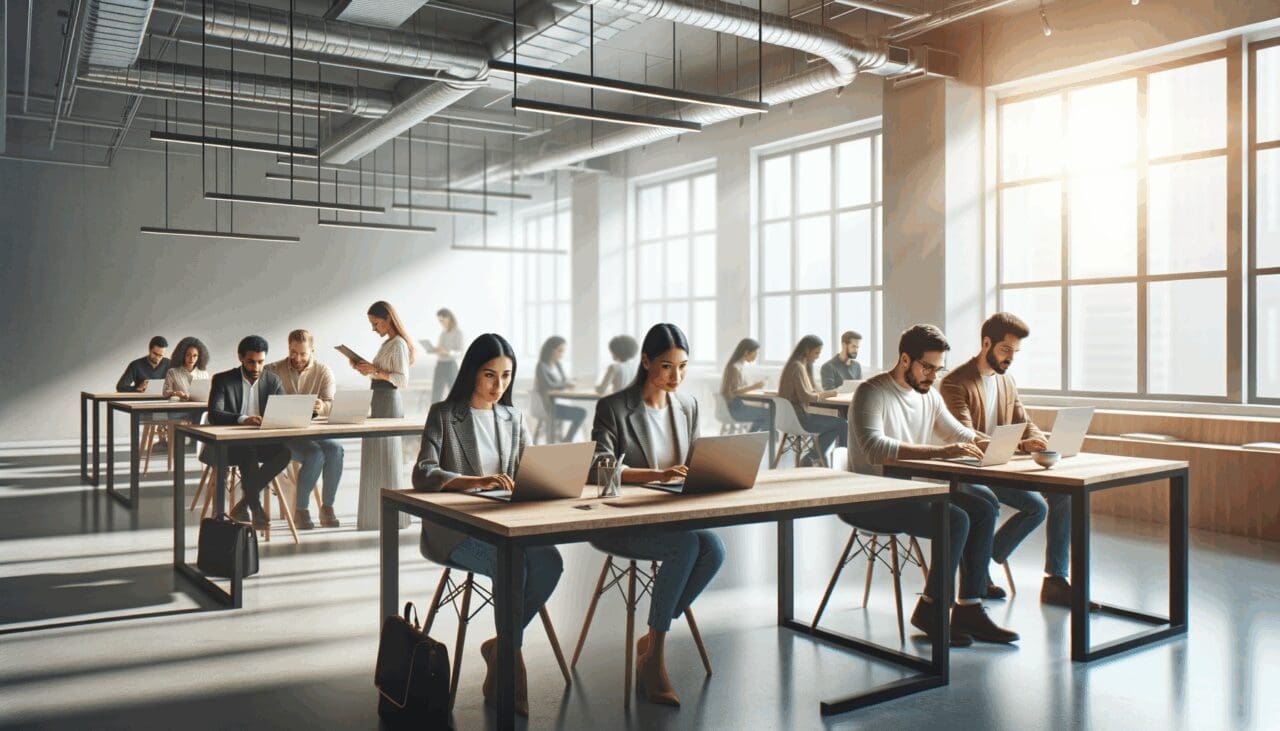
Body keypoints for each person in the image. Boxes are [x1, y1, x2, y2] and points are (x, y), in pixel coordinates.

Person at [412, 334, 562, 717]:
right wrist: (473, 482)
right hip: (456, 531)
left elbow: (529, 471)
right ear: (472, 373)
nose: (499, 386)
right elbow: (423, 472)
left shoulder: (514, 418)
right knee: (511, 562)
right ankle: (512, 666)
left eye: (506, 376)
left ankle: (501, 648)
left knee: (551, 562)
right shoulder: (445, 414)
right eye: (490, 375)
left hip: (507, 524)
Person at [845, 324, 1018, 646]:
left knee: (982, 509)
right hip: (869, 498)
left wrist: (992, 443)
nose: (932, 376)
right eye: (927, 367)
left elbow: (958, 433)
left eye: (938, 370)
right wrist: (941, 452)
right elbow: (874, 447)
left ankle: (969, 608)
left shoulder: (929, 396)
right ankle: (931, 609)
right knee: (956, 518)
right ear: (905, 359)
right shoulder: (872, 392)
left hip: (912, 493)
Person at [588, 323, 726, 707]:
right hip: (623, 521)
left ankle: (650, 639)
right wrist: (657, 475)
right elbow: (598, 468)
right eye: (667, 366)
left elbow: (693, 462)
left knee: (714, 549)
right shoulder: (614, 407)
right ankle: (655, 660)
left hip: (671, 516)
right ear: (646, 361)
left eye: (683, 367)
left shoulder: (688, 406)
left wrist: (714, 472)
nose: (676, 377)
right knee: (687, 547)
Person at [941, 312, 1076, 606]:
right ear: (986, 344)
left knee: (1058, 498)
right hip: (968, 470)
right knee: (992, 503)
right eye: (1005, 350)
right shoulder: (955, 383)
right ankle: (979, 569)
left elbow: (1024, 421)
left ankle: (1054, 580)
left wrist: (1039, 440)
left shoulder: (1007, 381)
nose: (1010, 358)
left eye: (1015, 352)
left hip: (1001, 467)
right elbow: (966, 435)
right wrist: (1020, 445)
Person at [207, 336, 291, 530]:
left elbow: (284, 411)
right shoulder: (223, 380)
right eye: (251, 362)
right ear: (241, 358)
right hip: (229, 445)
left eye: (261, 362)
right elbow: (214, 414)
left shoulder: (272, 380)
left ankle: (244, 504)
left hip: (261, 442)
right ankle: (255, 507)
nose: (256, 367)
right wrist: (243, 419)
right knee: (247, 452)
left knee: (285, 452)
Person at [267, 329, 343, 531]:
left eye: (303, 353)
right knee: (315, 453)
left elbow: (330, 403)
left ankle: (327, 507)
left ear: (312, 351)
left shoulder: (323, 371)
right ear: (288, 348)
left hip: (312, 432)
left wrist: (322, 406)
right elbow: (261, 402)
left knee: (336, 449)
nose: (298, 358)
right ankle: (301, 510)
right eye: (293, 352)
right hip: (283, 434)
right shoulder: (273, 370)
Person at [352, 301, 414, 531]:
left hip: (389, 401)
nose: (373, 328)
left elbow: (401, 380)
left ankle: (394, 518)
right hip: (378, 399)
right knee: (375, 457)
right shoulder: (388, 343)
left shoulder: (398, 344)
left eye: (376, 323)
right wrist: (366, 369)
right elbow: (382, 374)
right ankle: (373, 517)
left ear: (388, 319)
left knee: (387, 458)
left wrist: (374, 370)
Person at [778, 335, 847, 465]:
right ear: (806, 350)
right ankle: (840, 462)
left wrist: (819, 393)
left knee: (838, 424)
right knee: (842, 424)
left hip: (789, 418)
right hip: (799, 419)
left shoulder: (795, 365)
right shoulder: (797, 367)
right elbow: (805, 396)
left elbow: (807, 391)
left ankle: (812, 457)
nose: (818, 356)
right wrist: (826, 394)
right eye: (816, 353)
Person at [535, 336, 586, 441]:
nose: (562, 354)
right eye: (560, 351)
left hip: (558, 402)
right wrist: (566, 385)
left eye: (563, 351)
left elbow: (563, 380)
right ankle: (567, 440)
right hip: (547, 406)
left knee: (581, 412)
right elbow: (548, 384)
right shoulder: (541, 366)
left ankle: (566, 440)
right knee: (581, 413)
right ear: (551, 350)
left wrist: (571, 381)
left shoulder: (558, 365)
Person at [719, 337, 769, 432]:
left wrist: (753, 385)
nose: (756, 355)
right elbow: (734, 391)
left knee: (766, 413)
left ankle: (752, 438)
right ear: (746, 352)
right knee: (768, 413)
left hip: (736, 406)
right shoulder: (734, 367)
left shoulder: (738, 366)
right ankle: (756, 438)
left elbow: (738, 388)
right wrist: (754, 386)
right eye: (755, 352)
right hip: (734, 409)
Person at [429, 308, 465, 404]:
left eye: (442, 320)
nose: (441, 323)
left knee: (454, 392)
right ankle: (434, 411)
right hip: (440, 364)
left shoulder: (458, 333)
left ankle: (457, 411)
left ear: (448, 318)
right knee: (436, 393)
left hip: (451, 365)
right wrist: (436, 350)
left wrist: (447, 352)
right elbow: (440, 349)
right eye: (439, 321)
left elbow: (460, 352)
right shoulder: (443, 333)